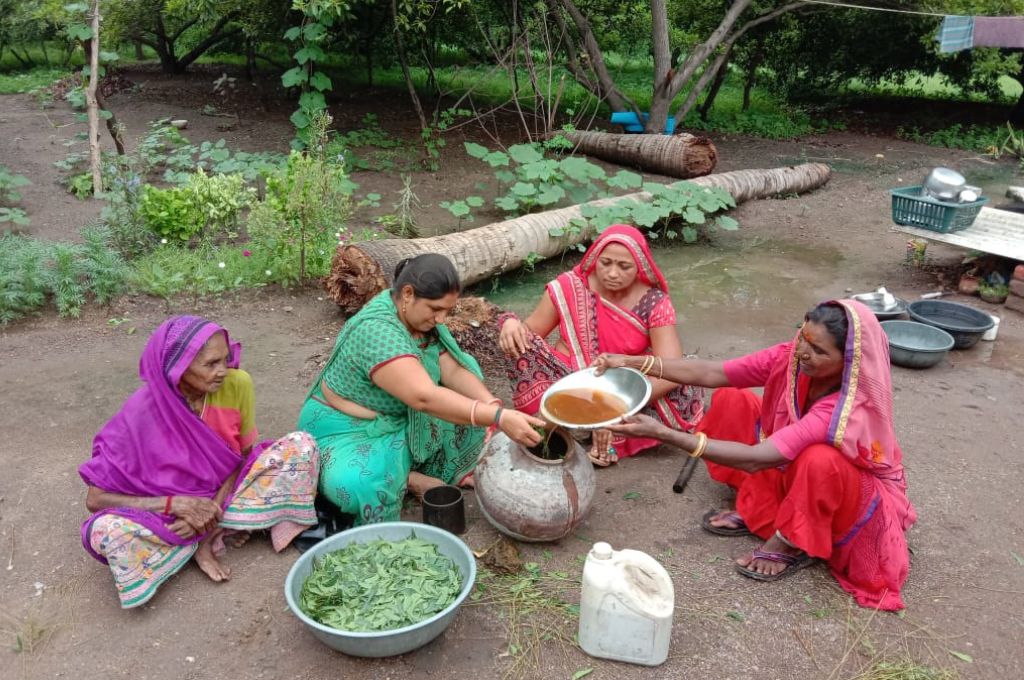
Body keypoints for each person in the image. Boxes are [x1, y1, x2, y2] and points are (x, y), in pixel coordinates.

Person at [597, 300, 916, 611]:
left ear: (849, 361)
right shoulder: (791, 359)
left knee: (820, 459)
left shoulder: (843, 409)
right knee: (731, 398)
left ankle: (792, 539)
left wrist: (664, 434)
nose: (804, 352)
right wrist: (633, 362)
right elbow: (713, 373)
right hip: (791, 464)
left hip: (844, 493)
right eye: (805, 337)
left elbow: (757, 457)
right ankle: (763, 511)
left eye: (820, 351)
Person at [80, 316, 320, 609]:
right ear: (178, 368)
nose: (223, 371)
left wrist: (210, 515)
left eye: (225, 359)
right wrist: (177, 505)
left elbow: (241, 458)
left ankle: (202, 541)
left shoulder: (237, 384)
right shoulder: (141, 412)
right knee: (105, 532)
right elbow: (96, 499)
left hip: (224, 496)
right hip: (166, 513)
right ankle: (206, 539)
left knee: (301, 447)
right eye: (210, 364)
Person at [298, 253, 545, 526]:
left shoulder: (418, 321)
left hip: (403, 415)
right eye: (435, 309)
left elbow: (452, 370)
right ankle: (409, 478)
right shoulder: (377, 332)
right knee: (357, 484)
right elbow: (423, 397)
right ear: (407, 294)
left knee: (472, 409)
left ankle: (410, 464)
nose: (441, 320)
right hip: (351, 426)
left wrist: (493, 406)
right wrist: (497, 418)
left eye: (447, 311)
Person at [498, 224, 704, 466]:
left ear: (640, 266)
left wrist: (612, 410)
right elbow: (531, 333)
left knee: (687, 379)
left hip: (624, 387)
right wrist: (510, 322)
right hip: (569, 380)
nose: (612, 273)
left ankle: (580, 425)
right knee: (518, 344)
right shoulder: (569, 287)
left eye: (624, 266)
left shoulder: (654, 303)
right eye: (605, 263)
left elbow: (670, 370)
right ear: (594, 258)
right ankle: (574, 422)